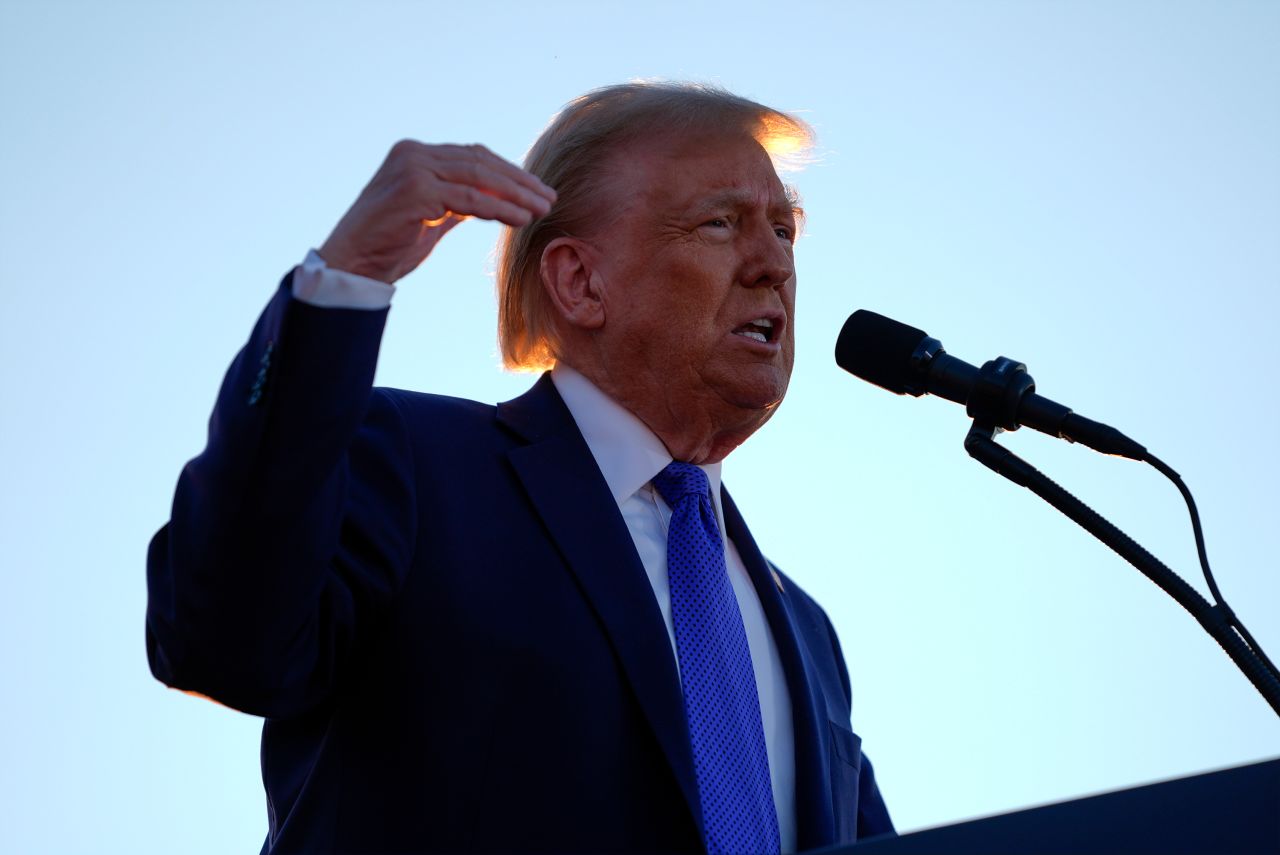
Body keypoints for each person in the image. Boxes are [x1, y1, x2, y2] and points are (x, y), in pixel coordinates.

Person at [146, 82, 893, 855]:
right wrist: (346, 279)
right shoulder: (415, 464)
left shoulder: (806, 629)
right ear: (579, 282)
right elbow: (219, 638)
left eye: (783, 228)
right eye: (719, 223)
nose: (773, 263)